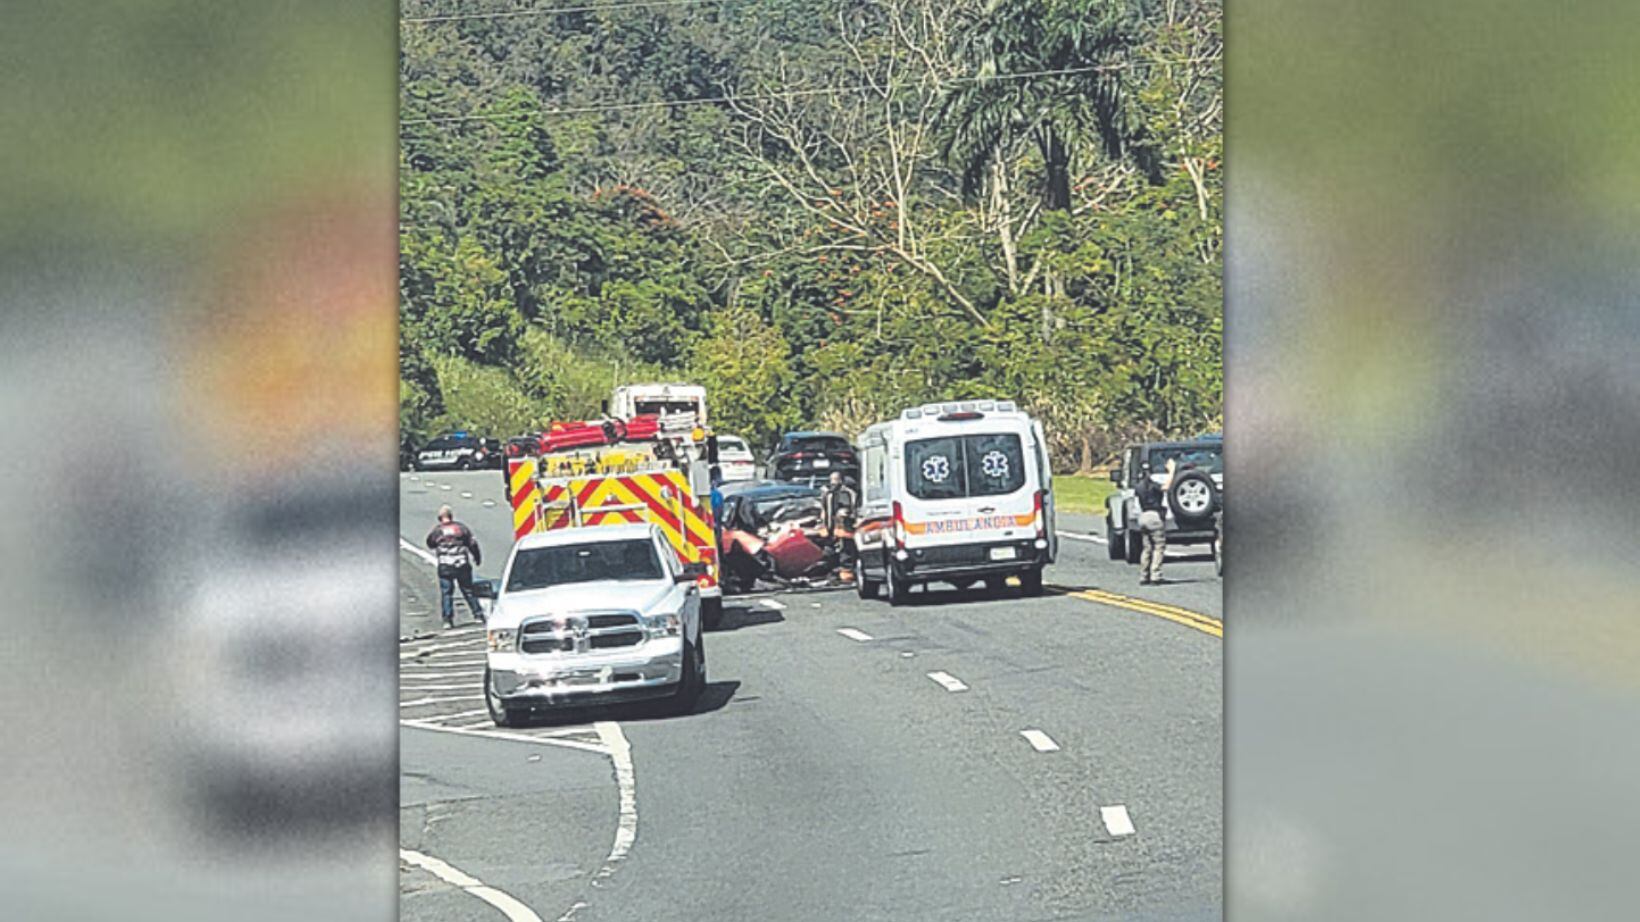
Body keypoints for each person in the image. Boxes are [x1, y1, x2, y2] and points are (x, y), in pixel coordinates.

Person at [426, 504, 484, 629]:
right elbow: (472, 543)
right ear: (451, 516)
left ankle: (448, 619)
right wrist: (477, 557)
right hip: (461, 564)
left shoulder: (437, 531)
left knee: (447, 593)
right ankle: (478, 615)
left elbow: (430, 543)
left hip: (445, 565)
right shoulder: (461, 529)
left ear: (439, 518)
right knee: (468, 590)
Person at [1134, 457, 1176, 585]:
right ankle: (1155, 575)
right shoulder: (1153, 485)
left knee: (1147, 548)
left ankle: (1143, 575)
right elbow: (1166, 487)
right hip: (1154, 516)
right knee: (1159, 547)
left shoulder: (1138, 487)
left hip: (1143, 516)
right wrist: (1172, 471)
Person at [820, 471, 859, 580]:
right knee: (830, 553)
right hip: (831, 529)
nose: (833, 482)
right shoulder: (828, 494)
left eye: (836, 479)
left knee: (846, 553)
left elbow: (849, 509)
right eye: (832, 480)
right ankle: (833, 573)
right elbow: (824, 510)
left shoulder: (846, 493)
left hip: (844, 529)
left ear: (841, 480)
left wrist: (845, 515)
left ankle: (847, 575)